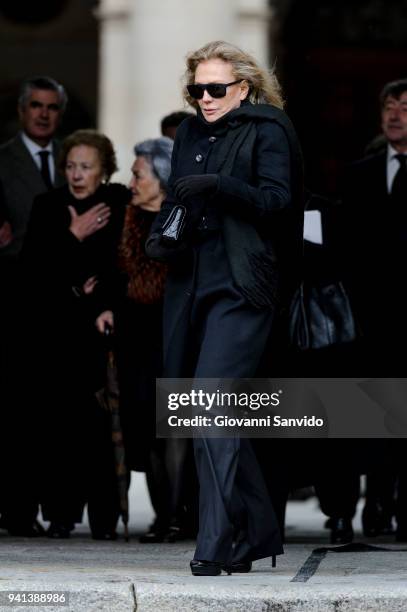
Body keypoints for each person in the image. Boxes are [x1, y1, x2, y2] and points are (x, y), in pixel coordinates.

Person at [146, 40, 304, 575]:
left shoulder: (269, 128)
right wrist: (161, 233)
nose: (206, 98)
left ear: (244, 87)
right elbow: (176, 199)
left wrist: (220, 185)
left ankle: (214, 542)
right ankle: (256, 528)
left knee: (210, 403)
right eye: (198, 90)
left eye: (217, 89)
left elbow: (278, 202)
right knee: (203, 409)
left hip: (244, 282)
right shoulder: (190, 130)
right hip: (192, 280)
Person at [21, 129, 130, 539]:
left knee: (102, 427)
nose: (76, 174)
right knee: (60, 426)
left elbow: (121, 266)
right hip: (59, 333)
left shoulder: (119, 203)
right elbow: (34, 272)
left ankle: (104, 517)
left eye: (86, 167)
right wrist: (72, 237)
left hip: (102, 331)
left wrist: (97, 296)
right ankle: (61, 514)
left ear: (104, 170)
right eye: (70, 166)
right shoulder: (47, 205)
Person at [96, 137, 195, 542]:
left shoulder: (184, 219)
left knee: (173, 430)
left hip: (173, 337)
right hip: (135, 341)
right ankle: (163, 516)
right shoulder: (126, 217)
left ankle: (179, 516)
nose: (132, 181)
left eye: (139, 173)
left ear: (162, 177)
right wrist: (104, 306)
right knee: (148, 434)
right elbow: (112, 275)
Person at [0, 76, 67, 537]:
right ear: (22, 111)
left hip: (63, 302)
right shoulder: (1, 161)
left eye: (51, 107)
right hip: (13, 297)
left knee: (54, 409)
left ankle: (58, 507)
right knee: (15, 408)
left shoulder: (74, 158)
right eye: (36, 106)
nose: (43, 114)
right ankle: (17, 509)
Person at [341, 78, 407, 542]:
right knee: (376, 412)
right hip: (373, 320)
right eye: (388, 105)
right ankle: (376, 500)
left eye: (405, 106)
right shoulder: (360, 173)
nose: (395, 114)